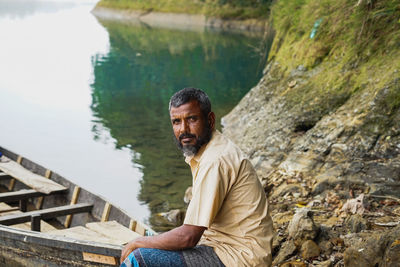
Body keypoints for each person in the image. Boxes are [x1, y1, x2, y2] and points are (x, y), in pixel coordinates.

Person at [121, 88, 273, 267]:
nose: (183, 129)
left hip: (239, 258)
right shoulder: (209, 150)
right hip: (221, 245)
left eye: (191, 119)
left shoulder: (214, 160)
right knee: (150, 240)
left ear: (210, 120)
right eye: (176, 122)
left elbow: (189, 237)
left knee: (137, 259)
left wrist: (136, 243)